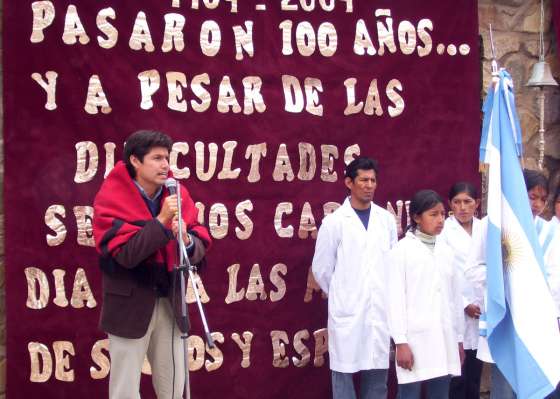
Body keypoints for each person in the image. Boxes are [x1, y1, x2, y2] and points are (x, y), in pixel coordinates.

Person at [93, 130, 212, 399]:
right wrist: (161, 221)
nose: (165, 165)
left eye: (167, 158)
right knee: (124, 390)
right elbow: (126, 254)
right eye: (157, 158)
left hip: (170, 301)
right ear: (135, 161)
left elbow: (200, 243)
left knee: (173, 385)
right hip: (129, 305)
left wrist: (186, 240)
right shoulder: (111, 196)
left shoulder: (178, 194)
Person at [312, 157, 398, 399]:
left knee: (377, 378)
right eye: (363, 180)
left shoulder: (386, 221)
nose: (369, 185)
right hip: (347, 313)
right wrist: (344, 292)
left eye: (373, 180)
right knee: (344, 376)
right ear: (349, 182)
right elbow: (322, 269)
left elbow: (392, 264)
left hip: (379, 312)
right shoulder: (334, 223)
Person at [387, 189, 464, 399]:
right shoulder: (401, 252)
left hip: (445, 336)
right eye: (433, 214)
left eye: (442, 214)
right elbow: (394, 300)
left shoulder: (447, 252)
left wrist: (458, 339)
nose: (440, 219)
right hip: (414, 339)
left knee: (440, 392)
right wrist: (401, 342)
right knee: (409, 393)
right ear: (416, 217)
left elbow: (455, 299)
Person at [439, 182, 483, 399]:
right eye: (457, 202)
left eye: (468, 202)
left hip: (482, 310)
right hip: (456, 309)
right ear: (450, 205)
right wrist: (464, 303)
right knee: (457, 376)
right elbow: (445, 272)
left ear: (477, 204)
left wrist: (482, 303)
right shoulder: (444, 231)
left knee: (475, 374)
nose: (463, 207)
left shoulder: (485, 229)